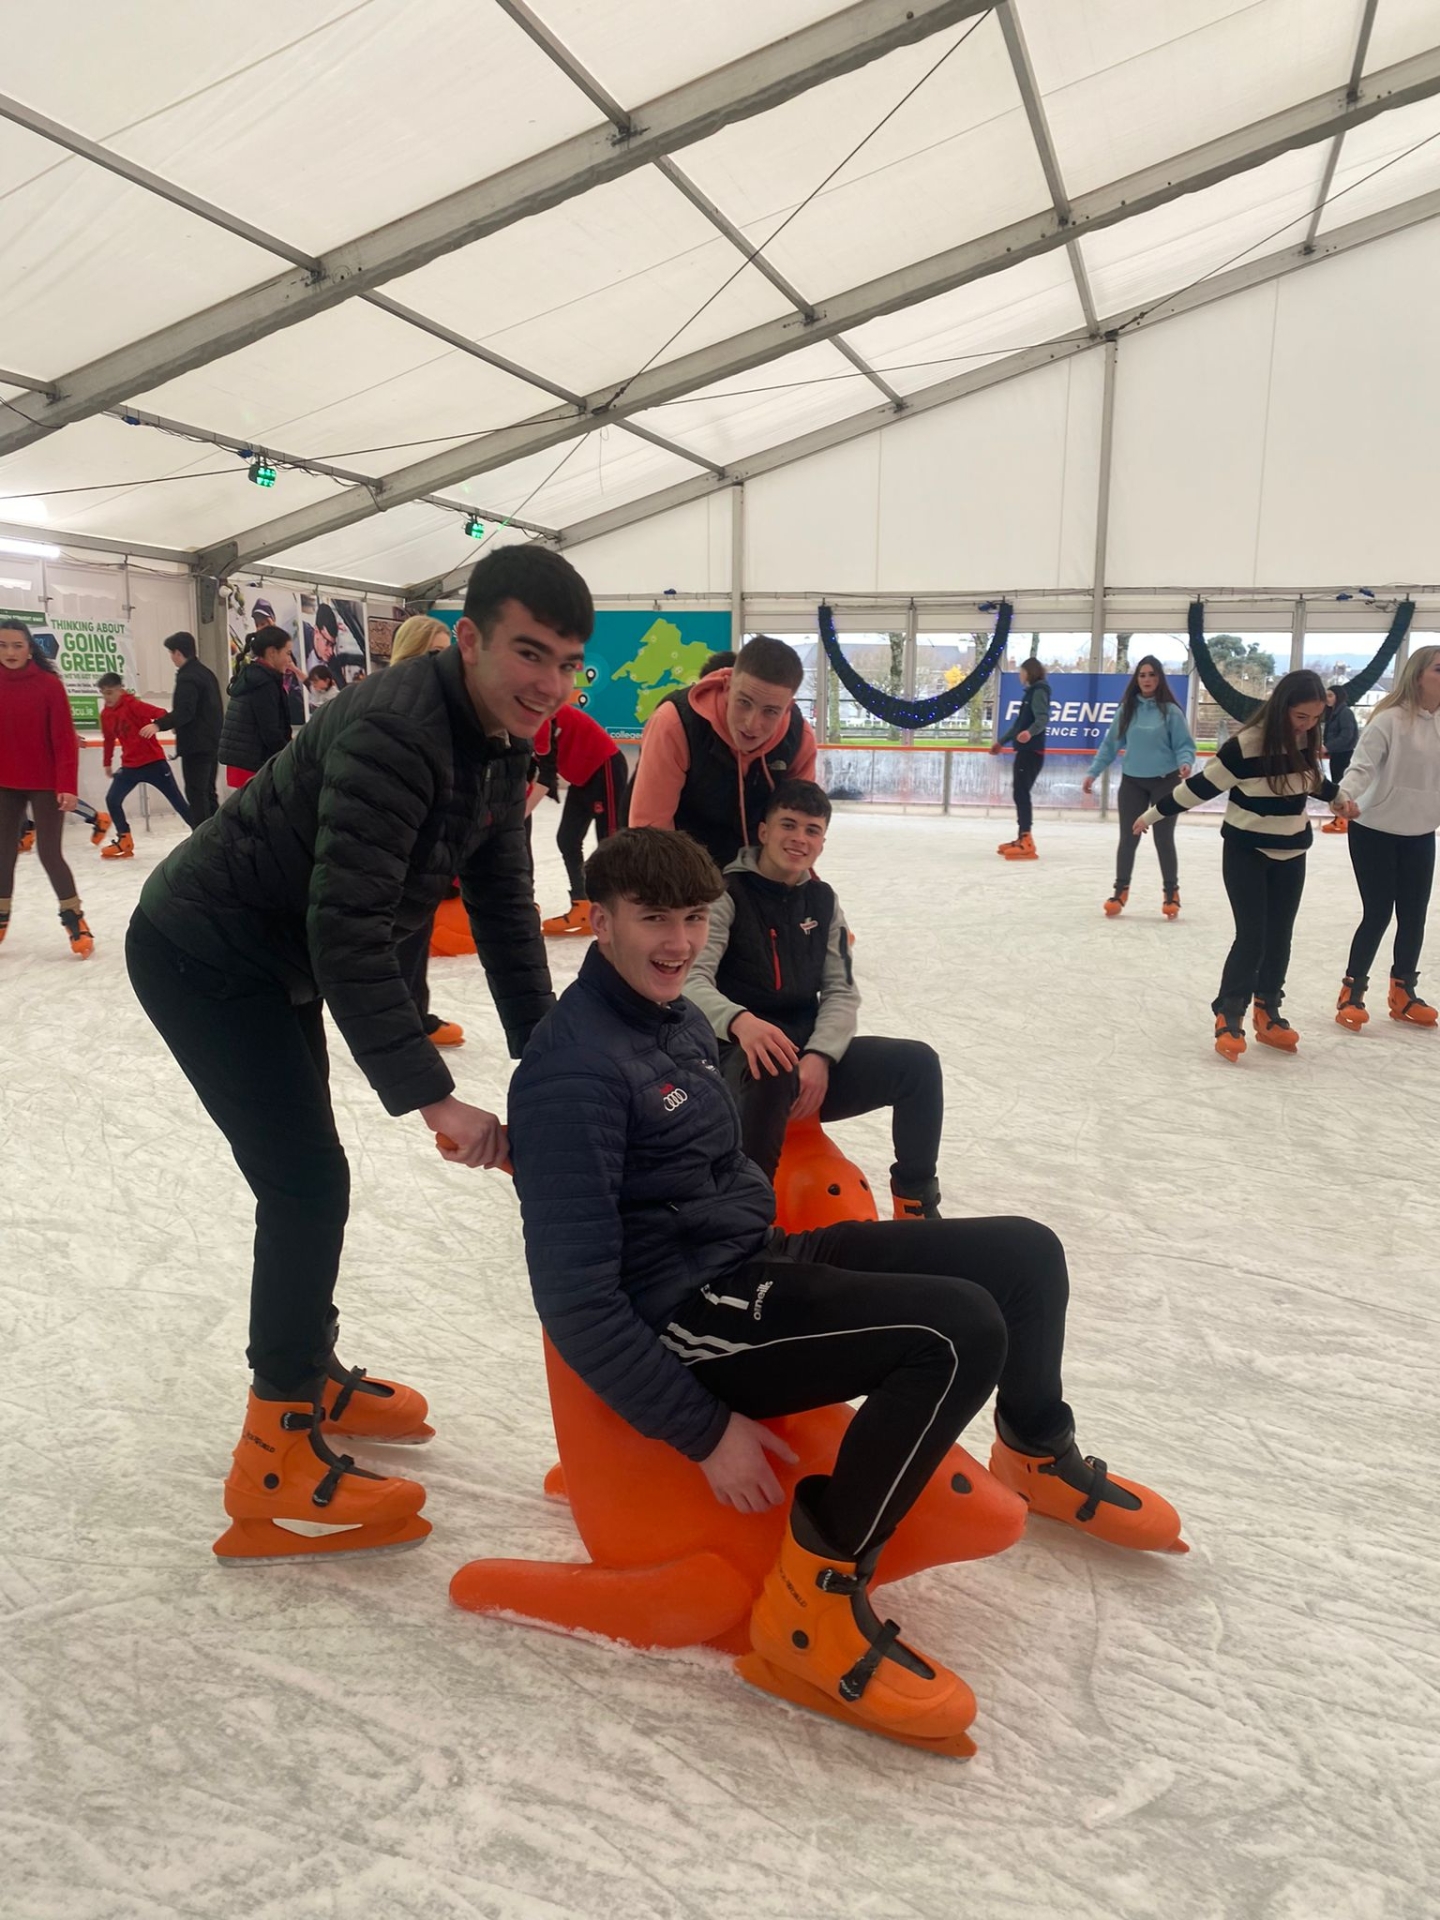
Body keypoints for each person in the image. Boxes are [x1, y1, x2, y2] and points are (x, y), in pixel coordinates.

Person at [507, 827, 1185, 1755]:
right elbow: (577, 1302)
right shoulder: (574, 1067)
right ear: (601, 921)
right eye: (651, 918)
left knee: (1026, 1254)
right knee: (952, 1336)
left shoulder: (672, 1021)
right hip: (692, 1315)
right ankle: (814, 1600)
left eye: (693, 919)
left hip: (761, 1256)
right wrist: (703, 1435)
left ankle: (1031, 1449)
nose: (675, 941)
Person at [126, 545, 593, 1562]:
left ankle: (309, 1366)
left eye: (565, 662)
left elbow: (508, 913)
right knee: (305, 1183)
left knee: (308, 1177)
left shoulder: (505, 741)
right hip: (203, 950)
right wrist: (436, 1099)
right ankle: (274, 1452)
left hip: (270, 956)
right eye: (528, 652)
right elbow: (351, 931)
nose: (548, 683)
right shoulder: (396, 729)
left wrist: (556, 1063)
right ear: (468, 639)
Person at [687, 780, 944, 1219]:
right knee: (771, 1066)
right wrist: (741, 1022)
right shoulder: (726, 895)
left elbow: (842, 989)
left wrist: (821, 1055)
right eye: (788, 825)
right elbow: (692, 981)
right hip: (737, 1056)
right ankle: (749, 1216)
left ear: (822, 842)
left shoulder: (823, 901)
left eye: (811, 830)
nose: (799, 839)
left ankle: (915, 1203)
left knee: (917, 1064)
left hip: (806, 1062)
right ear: (764, 831)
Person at [1135, 670, 1340, 1061]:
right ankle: (1229, 1013)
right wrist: (1152, 815)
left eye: (1315, 719)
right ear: (1281, 707)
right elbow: (1200, 787)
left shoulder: (1304, 743)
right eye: (1301, 717)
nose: (1308, 726)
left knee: (1280, 935)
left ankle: (1269, 1011)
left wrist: (1339, 797)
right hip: (1247, 852)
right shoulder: (1244, 747)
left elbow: (1312, 781)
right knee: (1253, 935)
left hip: (1293, 853)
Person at [629, 635, 817, 866]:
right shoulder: (675, 724)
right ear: (728, 687)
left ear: (788, 707)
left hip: (757, 870)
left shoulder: (799, 738)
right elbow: (652, 834)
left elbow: (801, 827)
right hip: (683, 864)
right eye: (744, 702)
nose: (751, 724)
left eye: (770, 711)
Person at [1332, 644, 1440, 1031]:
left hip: (1420, 832)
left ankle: (1403, 991)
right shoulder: (1388, 721)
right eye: (1439, 669)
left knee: (1413, 916)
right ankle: (1352, 991)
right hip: (1374, 829)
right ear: (1417, 676)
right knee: (1378, 912)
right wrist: (1343, 797)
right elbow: (1361, 767)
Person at [389, 615, 466, 1048]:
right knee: (404, 930)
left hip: (426, 836)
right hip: (397, 838)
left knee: (414, 928)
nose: (445, 663)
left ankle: (411, 1014)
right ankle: (405, 1021)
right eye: (435, 653)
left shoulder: (439, 706)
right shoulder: (400, 707)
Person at [0, 618, 94, 956]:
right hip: (4, 784)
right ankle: (1, 916)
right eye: (3, 645)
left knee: (49, 853)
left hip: (44, 783)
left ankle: (74, 918)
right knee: (2, 853)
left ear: (29, 649)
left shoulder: (48, 685)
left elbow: (64, 741)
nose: (9, 652)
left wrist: (66, 785)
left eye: (17, 645)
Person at [1082, 656, 1195, 917]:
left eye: (1152, 675)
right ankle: (1120, 890)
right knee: (1128, 838)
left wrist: (1185, 763)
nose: (1147, 680)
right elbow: (1110, 745)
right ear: (1137, 679)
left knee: (1163, 839)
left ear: (1159, 679)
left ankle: (1171, 893)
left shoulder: (1171, 712)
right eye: (1142, 675)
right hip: (1133, 782)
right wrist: (1093, 773)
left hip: (1166, 782)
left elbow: (1184, 746)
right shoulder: (1127, 710)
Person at [533, 700, 630, 938]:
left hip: (603, 765)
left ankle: (622, 911)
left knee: (610, 841)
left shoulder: (536, 713)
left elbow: (543, 778)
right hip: (582, 776)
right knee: (567, 839)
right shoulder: (519, 716)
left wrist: (517, 814)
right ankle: (582, 906)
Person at [97, 672, 192, 859]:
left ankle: (202, 835)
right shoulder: (106, 714)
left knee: (178, 802)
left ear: (120, 690)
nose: (107, 698)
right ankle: (124, 839)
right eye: (103, 694)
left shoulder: (134, 705)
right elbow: (108, 740)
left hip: (154, 763)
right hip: (130, 766)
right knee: (112, 799)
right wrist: (107, 763)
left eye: (110, 693)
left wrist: (158, 725)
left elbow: (161, 713)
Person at [151, 631, 222, 825]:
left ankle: (202, 842)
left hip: (196, 747)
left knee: (196, 794)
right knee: (208, 792)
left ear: (177, 653)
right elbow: (206, 710)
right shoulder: (206, 673)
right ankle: (218, 836)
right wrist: (180, 726)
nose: (171, 658)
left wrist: (160, 724)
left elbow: (185, 711)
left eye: (171, 653)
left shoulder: (187, 677)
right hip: (212, 743)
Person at [990, 657, 1050, 859]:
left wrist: (1030, 733)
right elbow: (1018, 726)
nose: (1019, 675)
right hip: (1026, 750)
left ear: (1029, 672)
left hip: (1031, 750)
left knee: (1021, 792)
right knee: (1019, 792)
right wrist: (1001, 742)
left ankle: (1026, 839)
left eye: (1021, 671)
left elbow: (1042, 718)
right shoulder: (1031, 693)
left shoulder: (1039, 691)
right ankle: (1022, 837)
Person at [220, 626, 293, 789]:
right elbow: (270, 731)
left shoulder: (252, 676)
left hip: (242, 761)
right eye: (287, 653)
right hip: (253, 764)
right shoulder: (263, 683)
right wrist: (291, 758)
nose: (290, 660)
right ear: (272, 652)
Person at [1320, 684, 1360, 835]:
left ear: (1338, 696)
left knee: (1342, 785)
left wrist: (1327, 747)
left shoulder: (1344, 713)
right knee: (1337, 783)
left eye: (1330, 695)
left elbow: (1346, 736)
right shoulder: (1334, 713)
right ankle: (1340, 817)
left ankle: (1344, 818)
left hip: (1344, 754)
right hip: (1337, 754)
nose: (1327, 699)